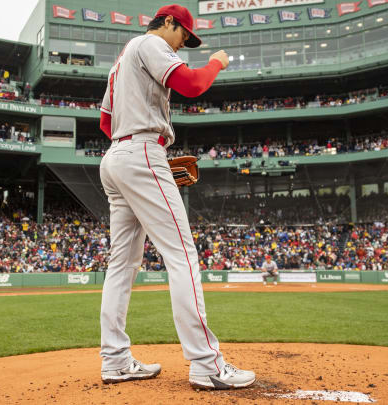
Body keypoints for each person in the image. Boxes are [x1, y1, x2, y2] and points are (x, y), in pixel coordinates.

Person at [97, 4, 255, 390]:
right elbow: (194, 85)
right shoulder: (150, 44)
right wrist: (216, 62)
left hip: (117, 156)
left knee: (122, 265)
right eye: (183, 34)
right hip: (140, 155)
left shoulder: (122, 61)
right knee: (183, 255)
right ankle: (207, 365)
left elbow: (105, 121)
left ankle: (115, 361)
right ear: (167, 22)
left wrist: (137, 155)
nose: (184, 44)